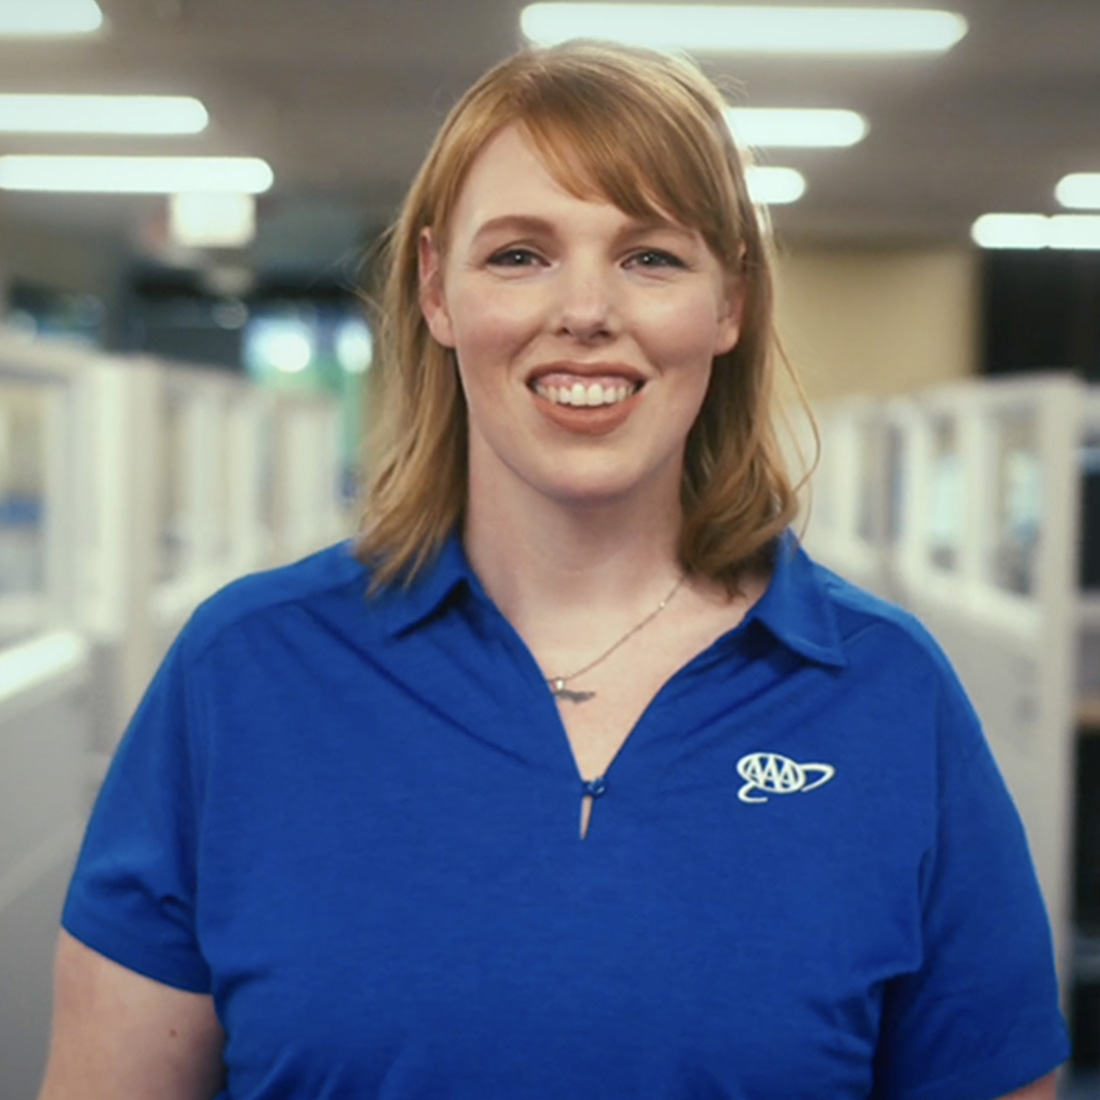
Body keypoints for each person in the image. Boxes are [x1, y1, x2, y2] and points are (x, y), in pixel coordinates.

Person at [38, 42, 1068, 1100]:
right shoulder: (243, 672)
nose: (584, 309)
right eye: (520, 254)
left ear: (730, 304)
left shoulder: (886, 694)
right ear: (437, 291)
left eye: (650, 256)